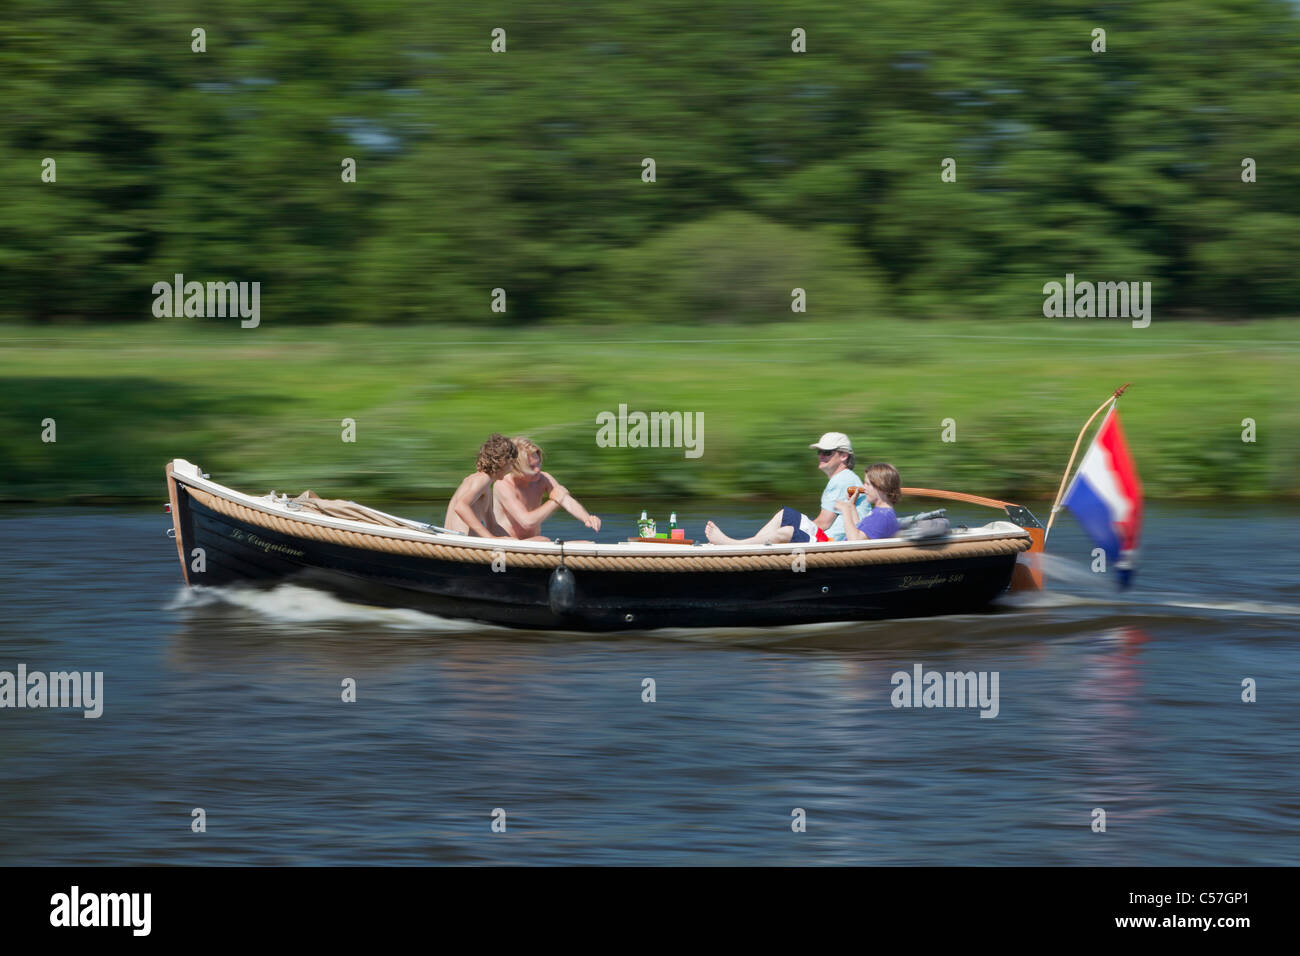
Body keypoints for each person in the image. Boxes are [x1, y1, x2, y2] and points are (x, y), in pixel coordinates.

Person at [704, 431, 871, 545]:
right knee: (786, 516)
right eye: (819, 452)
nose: (821, 456)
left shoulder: (841, 479)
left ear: (843, 456)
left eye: (827, 452)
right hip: (832, 538)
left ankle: (735, 545)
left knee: (786, 525)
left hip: (831, 542)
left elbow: (824, 523)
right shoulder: (849, 478)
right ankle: (746, 544)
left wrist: (800, 531)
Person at [493, 437, 602, 540]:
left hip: (533, 543)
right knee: (543, 540)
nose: (537, 470)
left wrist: (587, 518)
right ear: (516, 468)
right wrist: (554, 501)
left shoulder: (542, 479)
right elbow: (526, 522)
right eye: (531, 467)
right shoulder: (503, 485)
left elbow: (565, 500)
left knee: (585, 543)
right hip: (508, 544)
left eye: (538, 464)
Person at [443, 434, 531, 539]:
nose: (511, 469)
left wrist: (514, 542)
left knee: (539, 540)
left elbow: (492, 526)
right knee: (543, 540)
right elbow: (461, 507)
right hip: (461, 545)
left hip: (456, 542)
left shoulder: (483, 485)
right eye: (512, 463)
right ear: (503, 462)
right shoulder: (483, 479)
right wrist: (490, 537)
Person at [835, 463, 901, 540]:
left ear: (881, 487)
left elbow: (855, 540)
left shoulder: (881, 516)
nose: (863, 487)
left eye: (867, 484)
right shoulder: (881, 512)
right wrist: (851, 506)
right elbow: (860, 530)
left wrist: (845, 511)